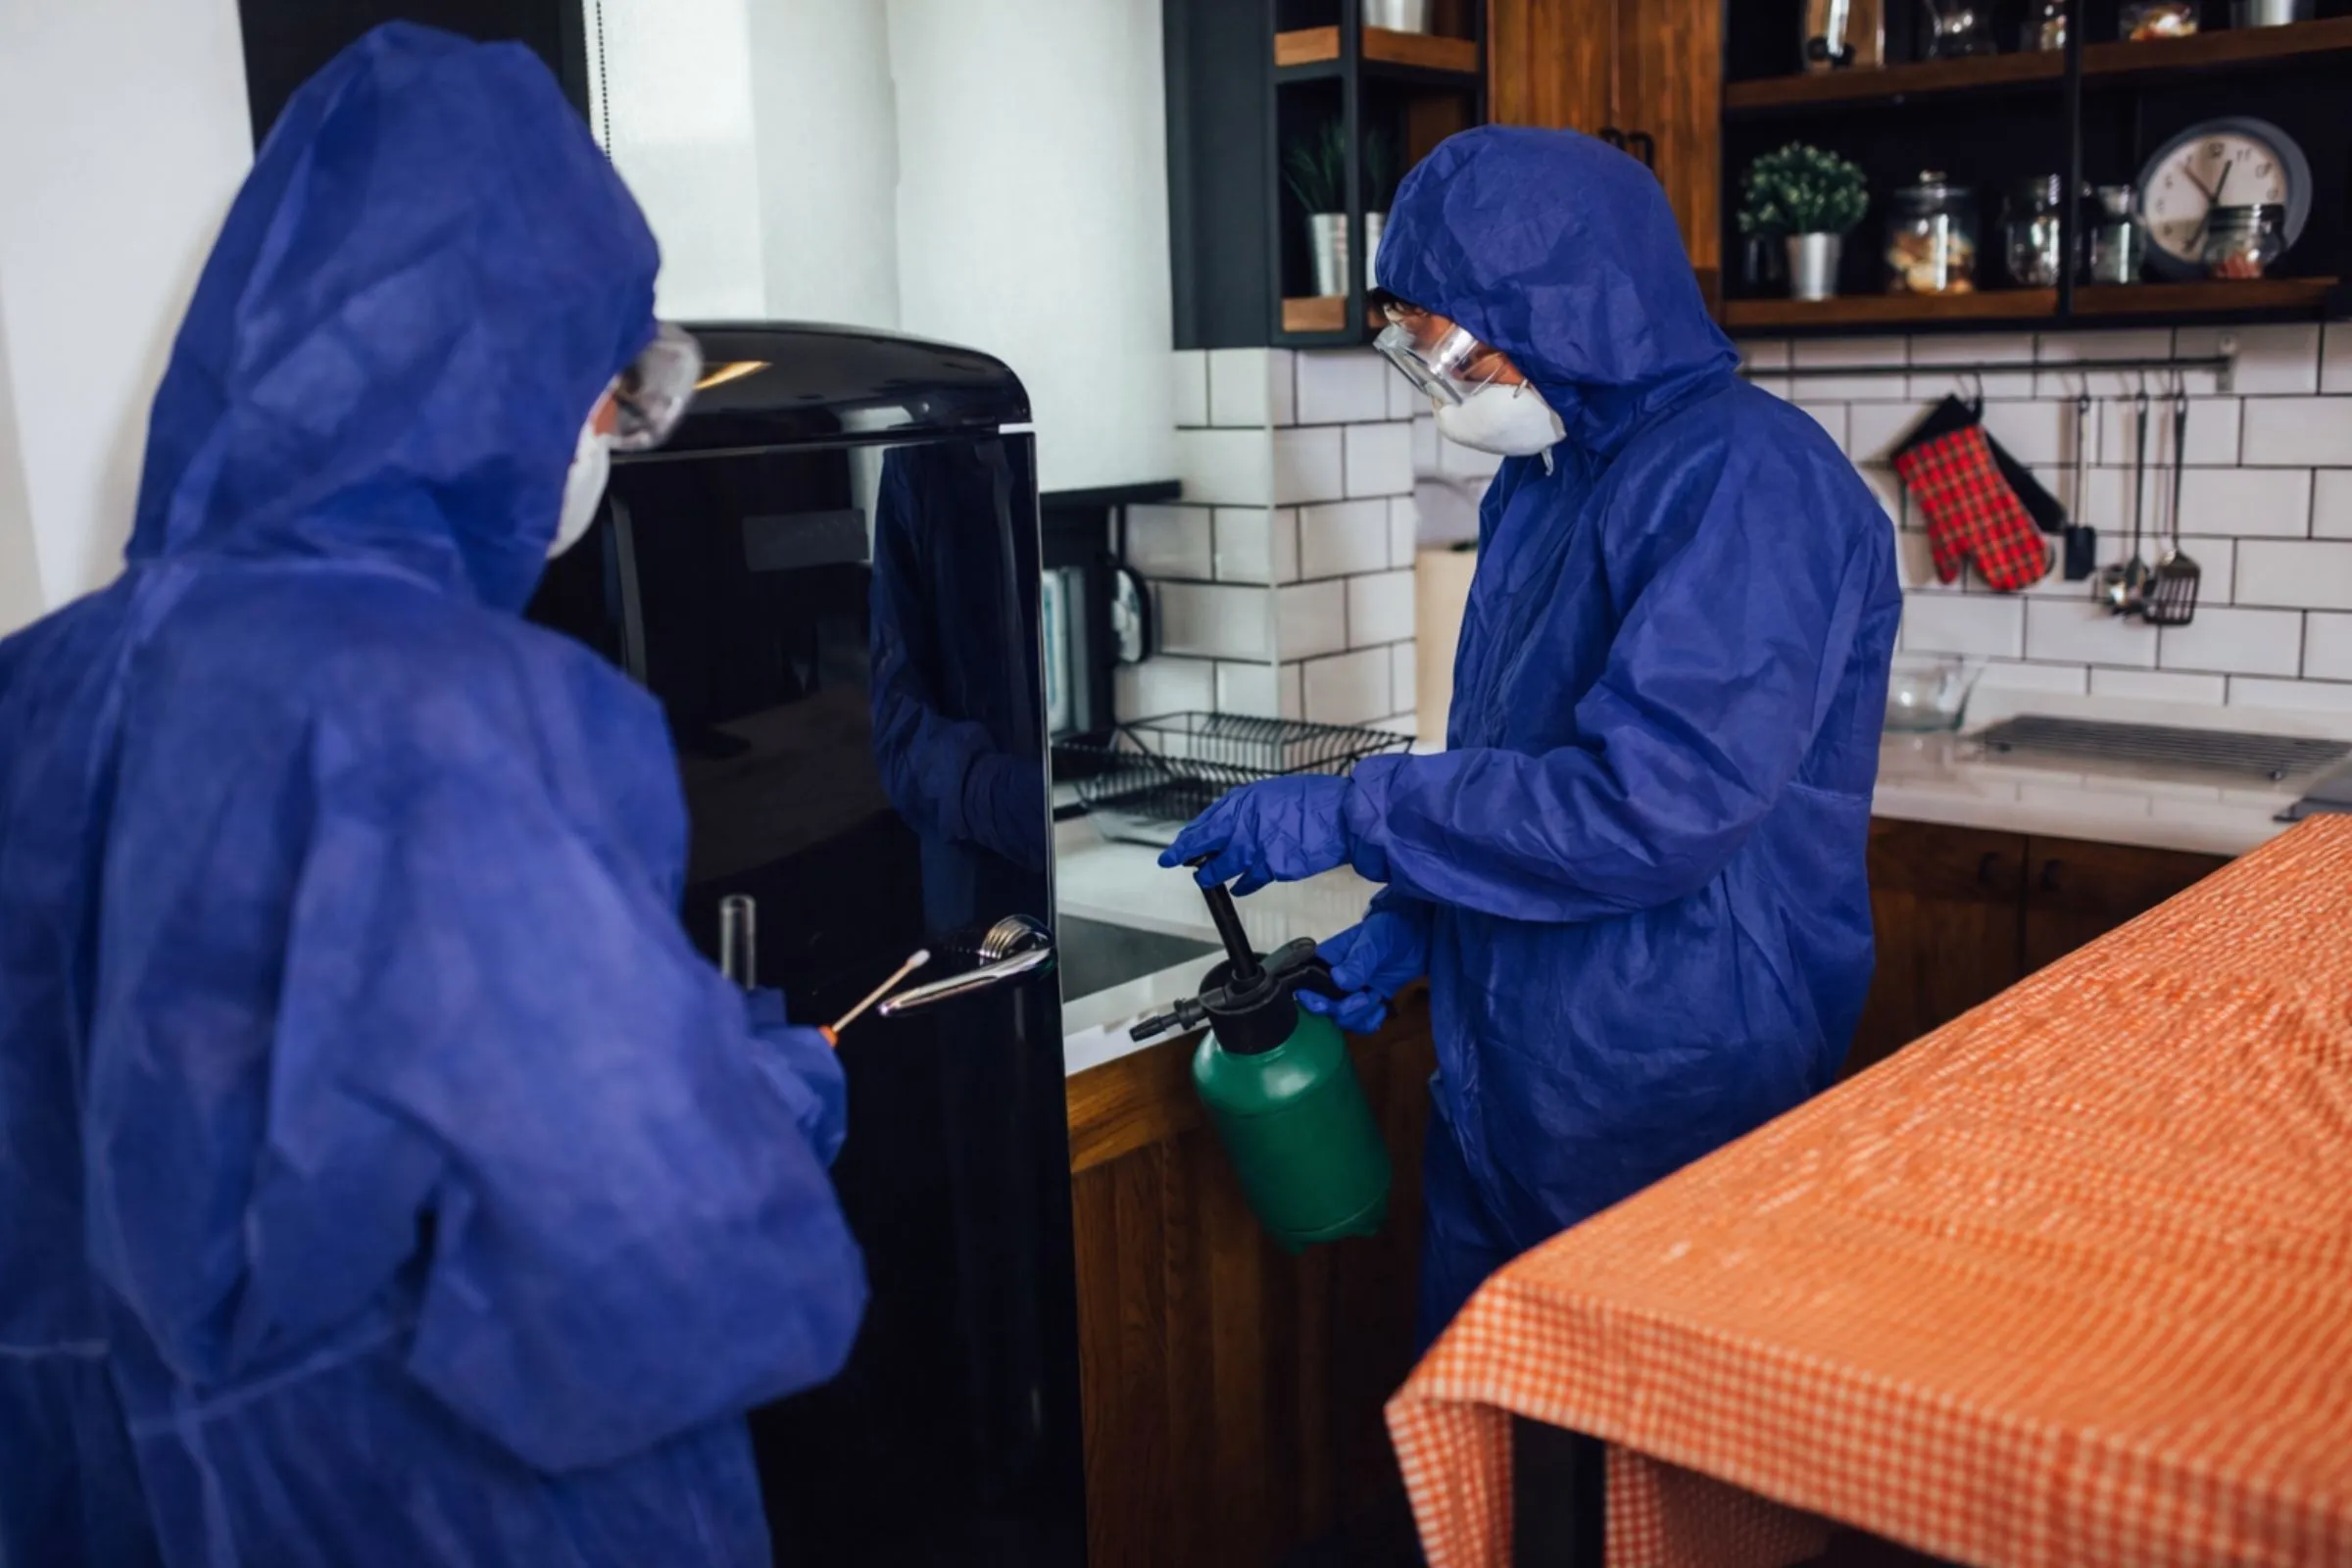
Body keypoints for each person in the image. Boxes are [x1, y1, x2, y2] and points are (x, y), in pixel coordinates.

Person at [0, 24, 863, 1567]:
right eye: (614, 391)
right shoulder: (459, 714)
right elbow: (668, 1281)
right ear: (504, 377)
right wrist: (762, 1097)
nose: (606, 437)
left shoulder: (36, 692)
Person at [1162, 125, 1901, 1348]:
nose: (1442, 377)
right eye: (1414, 342)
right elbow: (1521, 761)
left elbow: (1645, 811)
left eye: (1455, 339)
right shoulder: (1546, 478)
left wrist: (1361, 811)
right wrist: (1419, 917)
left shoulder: (1745, 479)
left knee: (1642, 1500)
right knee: (1492, 1454)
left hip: (1673, 1074)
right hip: (1513, 1073)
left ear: (1576, 310)